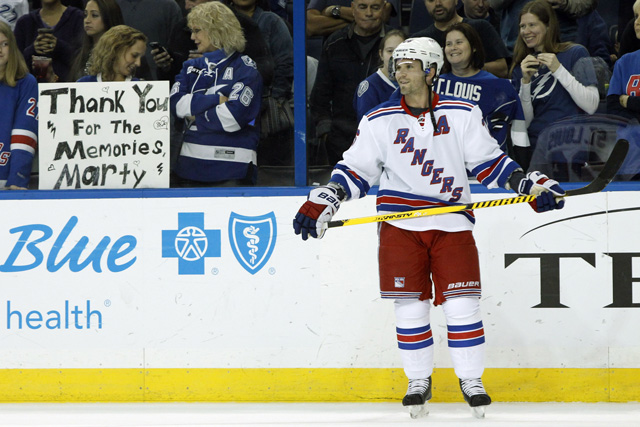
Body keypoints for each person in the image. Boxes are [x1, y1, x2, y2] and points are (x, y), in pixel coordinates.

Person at [293, 37, 565, 419]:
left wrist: (528, 185)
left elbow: (490, 162)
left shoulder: (462, 113)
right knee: (410, 309)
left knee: (463, 306)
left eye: (408, 66)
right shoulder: (377, 120)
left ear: (431, 71)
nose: (399, 72)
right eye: (396, 65)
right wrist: (328, 196)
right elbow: (355, 170)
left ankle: (471, 379)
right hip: (399, 227)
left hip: (451, 225)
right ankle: (418, 380)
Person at [169, 1, 263, 186]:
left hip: (232, 169)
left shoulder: (245, 68)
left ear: (217, 30)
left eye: (197, 30)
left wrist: (195, 115)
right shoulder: (190, 67)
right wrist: (217, 100)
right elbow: (175, 104)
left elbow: (232, 118)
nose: (193, 37)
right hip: (188, 168)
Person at [510, 0, 599, 171]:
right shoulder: (521, 67)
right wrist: (526, 83)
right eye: (522, 26)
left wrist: (558, 69)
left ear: (548, 26)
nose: (525, 31)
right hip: (537, 154)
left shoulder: (576, 53)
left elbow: (592, 105)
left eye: (532, 25)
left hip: (570, 152)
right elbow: (525, 123)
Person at [310, 0, 391, 166]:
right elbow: (320, 97)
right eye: (362, 7)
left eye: (375, 8)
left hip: (386, 138)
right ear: (353, 9)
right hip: (340, 140)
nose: (369, 13)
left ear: (383, 9)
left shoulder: (395, 44)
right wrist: (326, 133)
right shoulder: (334, 44)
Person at [435, 23, 529, 157]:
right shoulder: (434, 85)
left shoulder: (498, 86)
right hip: (445, 164)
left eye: (459, 42)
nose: (453, 48)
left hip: (487, 166)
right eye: (448, 44)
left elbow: (519, 129)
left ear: (473, 47)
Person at [412, 0, 509, 78]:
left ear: (456, 1)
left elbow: (503, 69)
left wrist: (467, 68)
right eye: (431, 0)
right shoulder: (418, 40)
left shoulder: (480, 27)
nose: (438, 3)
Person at [489, 0, 597, 57]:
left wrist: (566, 2)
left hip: (562, 41)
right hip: (517, 45)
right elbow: (493, 3)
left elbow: (588, 3)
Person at [0, 21, 37, 190]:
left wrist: (17, 178)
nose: (0, 50)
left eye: (4, 44)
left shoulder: (25, 82)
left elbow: (24, 133)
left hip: (7, 179)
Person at [13, 0, 83, 82]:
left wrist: (58, 46)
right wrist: (33, 49)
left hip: (71, 87)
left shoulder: (78, 18)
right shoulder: (24, 23)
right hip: (33, 89)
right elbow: (15, 63)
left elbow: (83, 60)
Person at [306, 0, 400, 60]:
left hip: (377, 55)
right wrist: (360, 21)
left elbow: (383, 13)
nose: (368, 13)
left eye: (373, 7)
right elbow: (311, 25)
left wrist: (334, 10)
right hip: (337, 55)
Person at [115, 0, 182, 80]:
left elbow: (178, 54)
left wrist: (167, 64)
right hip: (116, 83)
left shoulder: (168, 6)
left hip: (160, 83)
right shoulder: (110, 5)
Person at [353, 28, 406, 119]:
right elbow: (368, 126)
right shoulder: (370, 87)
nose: (395, 55)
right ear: (381, 54)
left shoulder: (414, 82)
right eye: (390, 51)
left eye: (400, 50)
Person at [69, 0, 124, 82]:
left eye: (94, 15)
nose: (87, 20)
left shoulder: (126, 54)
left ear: (109, 17)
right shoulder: (80, 54)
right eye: (85, 15)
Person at [77, 24, 146, 82]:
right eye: (134, 55)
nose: (138, 63)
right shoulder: (83, 84)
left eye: (140, 57)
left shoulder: (142, 87)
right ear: (116, 50)